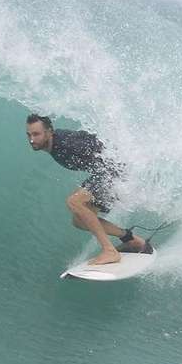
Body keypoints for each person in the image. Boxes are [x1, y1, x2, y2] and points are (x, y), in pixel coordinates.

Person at [26, 114, 150, 265]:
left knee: (74, 202)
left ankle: (110, 251)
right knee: (79, 220)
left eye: (36, 134)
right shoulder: (55, 143)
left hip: (114, 171)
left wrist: (119, 180)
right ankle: (131, 240)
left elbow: (104, 154)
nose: (31, 139)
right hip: (107, 172)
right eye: (29, 134)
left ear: (49, 132)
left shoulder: (65, 144)